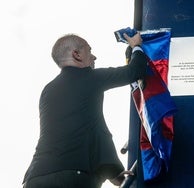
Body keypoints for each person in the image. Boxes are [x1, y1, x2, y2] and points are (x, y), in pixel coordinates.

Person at [22, 32, 147, 188]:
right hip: (73, 177)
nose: (94, 57)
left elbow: (78, 130)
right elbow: (135, 71)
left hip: (35, 178)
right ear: (77, 54)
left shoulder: (48, 90)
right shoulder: (90, 78)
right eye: (89, 50)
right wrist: (136, 46)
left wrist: (112, 171)